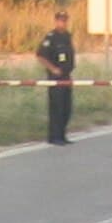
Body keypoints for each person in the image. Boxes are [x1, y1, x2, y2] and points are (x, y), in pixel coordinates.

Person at [35, 9, 76, 145]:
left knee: (66, 108)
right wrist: (52, 68)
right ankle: (54, 137)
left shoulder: (67, 36)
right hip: (55, 78)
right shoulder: (51, 37)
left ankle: (63, 135)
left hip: (66, 76)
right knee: (56, 108)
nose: (63, 23)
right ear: (56, 21)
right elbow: (40, 56)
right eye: (60, 20)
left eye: (64, 20)